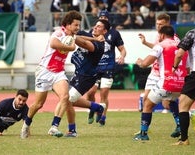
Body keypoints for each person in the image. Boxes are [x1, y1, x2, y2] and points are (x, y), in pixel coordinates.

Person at [20, 10, 82, 139]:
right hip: (45, 71)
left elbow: (84, 38)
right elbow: (54, 43)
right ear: (68, 25)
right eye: (76, 25)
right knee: (38, 104)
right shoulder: (59, 32)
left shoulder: (73, 36)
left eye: (79, 25)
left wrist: (96, 39)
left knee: (65, 97)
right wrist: (71, 48)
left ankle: (54, 127)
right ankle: (26, 124)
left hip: (59, 72)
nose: (78, 28)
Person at [133, 25, 189, 141]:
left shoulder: (160, 46)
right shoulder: (183, 47)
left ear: (162, 35)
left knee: (148, 103)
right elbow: (188, 68)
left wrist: (140, 62)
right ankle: (179, 125)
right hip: (181, 84)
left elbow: (145, 63)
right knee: (172, 101)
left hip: (167, 82)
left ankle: (143, 134)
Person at [65, 19, 111, 137]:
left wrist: (72, 36)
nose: (95, 28)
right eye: (95, 25)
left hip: (86, 77)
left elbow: (84, 44)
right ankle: (98, 107)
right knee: (68, 100)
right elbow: (79, 33)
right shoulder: (90, 35)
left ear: (104, 31)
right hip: (78, 73)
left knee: (67, 100)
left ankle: (71, 130)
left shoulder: (100, 45)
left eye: (99, 27)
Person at [172, 8, 195, 145]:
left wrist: (174, 67)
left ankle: (184, 139)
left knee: (183, 105)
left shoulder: (192, 33)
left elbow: (180, 54)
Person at [85, 10, 126, 126]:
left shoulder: (114, 33)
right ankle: (93, 109)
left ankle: (103, 116)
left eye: (105, 17)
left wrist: (122, 57)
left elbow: (122, 49)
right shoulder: (93, 32)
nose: (103, 19)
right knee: (90, 93)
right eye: (101, 17)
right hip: (94, 67)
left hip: (108, 67)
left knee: (104, 94)